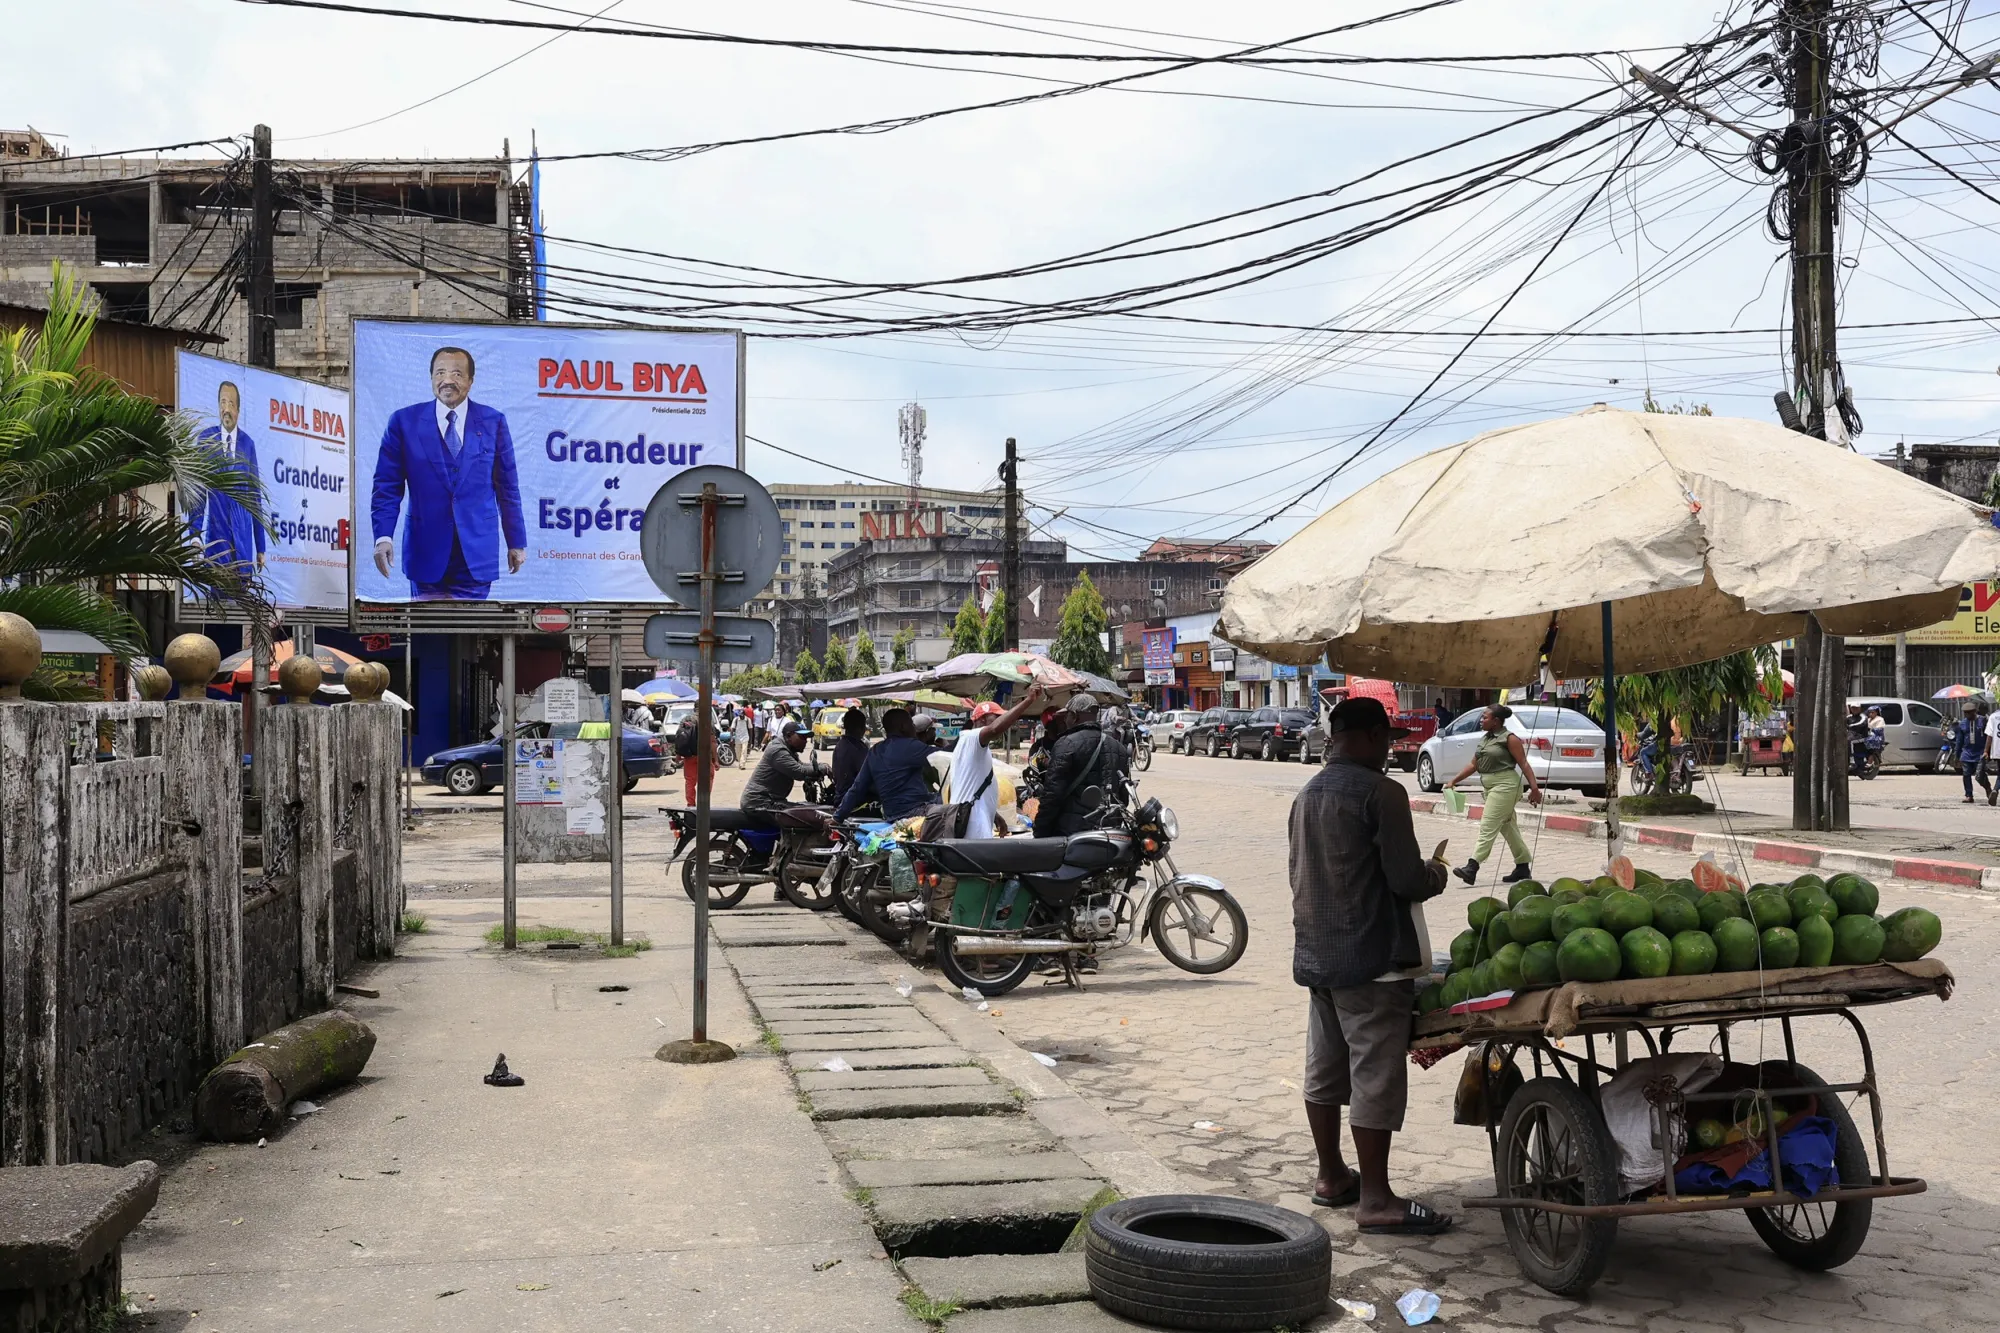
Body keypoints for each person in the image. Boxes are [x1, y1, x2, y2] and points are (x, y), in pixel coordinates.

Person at [1290, 696, 1452, 1235]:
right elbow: (1406, 879)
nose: (1388, 749)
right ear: (1359, 737)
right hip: (1372, 958)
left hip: (1319, 955)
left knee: (1325, 1067)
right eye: (1384, 738)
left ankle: (1332, 1176)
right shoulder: (1382, 793)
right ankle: (1377, 1200)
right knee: (1374, 1074)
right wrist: (1437, 873)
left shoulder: (1307, 795)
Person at [369, 345, 526, 600]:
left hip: (476, 553)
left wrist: (516, 541)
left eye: (457, 374)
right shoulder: (403, 422)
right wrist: (383, 537)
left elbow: (507, 487)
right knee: (430, 635)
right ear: (431, 377)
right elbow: (387, 486)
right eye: (440, 373)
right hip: (425, 551)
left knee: (471, 635)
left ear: (471, 381)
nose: (447, 380)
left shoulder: (493, 422)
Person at [1446, 704, 1543, 885]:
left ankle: (1472, 867)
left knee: (1488, 824)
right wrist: (1454, 781)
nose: (1481, 720)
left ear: (1496, 721)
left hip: (1506, 785)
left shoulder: (1509, 739)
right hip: (1490, 787)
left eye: (1485, 717)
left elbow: (1524, 764)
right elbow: (1473, 765)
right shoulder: (1485, 739)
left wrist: (1534, 789)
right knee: (1508, 827)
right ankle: (1522, 866)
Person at [188, 380, 266, 576]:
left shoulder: (248, 445)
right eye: (223, 403)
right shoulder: (206, 440)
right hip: (217, 537)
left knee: (243, 598)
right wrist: (195, 536)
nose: (226, 409)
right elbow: (198, 490)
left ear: (238, 410)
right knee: (218, 596)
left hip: (242, 539)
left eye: (231, 404)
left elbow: (254, 497)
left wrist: (261, 547)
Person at [948, 689, 1044, 839]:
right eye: (997, 717)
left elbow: (973, 788)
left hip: (973, 825)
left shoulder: (975, 746)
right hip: (972, 830)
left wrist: (995, 816)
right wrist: (1028, 700)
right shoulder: (971, 737)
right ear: (981, 720)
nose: (1002, 721)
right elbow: (994, 729)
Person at [1033, 693, 1132, 838]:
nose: (1065, 720)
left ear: (1074, 716)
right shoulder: (1118, 748)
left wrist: (1040, 830)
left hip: (1074, 833)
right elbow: (1124, 797)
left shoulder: (1066, 744)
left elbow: (1052, 795)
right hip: (1111, 830)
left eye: (1067, 716)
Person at [835, 708, 937, 822]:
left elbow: (857, 787)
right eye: (911, 724)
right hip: (916, 810)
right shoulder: (911, 746)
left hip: (891, 814)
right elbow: (945, 755)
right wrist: (960, 736)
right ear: (903, 726)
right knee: (955, 811)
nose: (914, 727)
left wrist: (837, 817)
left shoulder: (875, 750)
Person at [743, 718, 825, 825]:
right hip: (759, 802)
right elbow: (799, 772)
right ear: (788, 736)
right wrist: (822, 768)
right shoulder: (778, 750)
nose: (805, 741)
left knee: (805, 809)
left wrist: (820, 767)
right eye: (802, 737)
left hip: (772, 800)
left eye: (806, 738)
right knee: (801, 819)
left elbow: (801, 765)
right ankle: (788, 842)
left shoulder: (789, 750)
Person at [672, 712, 715, 807]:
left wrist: (678, 754)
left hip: (689, 756)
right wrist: (715, 759)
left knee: (690, 781)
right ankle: (703, 803)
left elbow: (680, 738)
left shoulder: (686, 719)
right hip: (704, 756)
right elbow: (712, 741)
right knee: (708, 779)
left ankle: (691, 804)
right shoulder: (706, 720)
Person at [829, 707, 869, 805]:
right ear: (860, 728)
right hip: (852, 802)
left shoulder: (843, 745)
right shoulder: (854, 748)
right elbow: (867, 774)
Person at [1953, 703, 1991, 804]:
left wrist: (1988, 751)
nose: (1967, 715)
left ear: (1974, 712)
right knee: (1966, 774)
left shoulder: (1983, 721)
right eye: (1965, 713)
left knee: (1979, 775)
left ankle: (1988, 788)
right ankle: (1969, 795)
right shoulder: (1962, 724)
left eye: (1969, 713)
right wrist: (1957, 755)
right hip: (1967, 752)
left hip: (1980, 752)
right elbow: (1959, 741)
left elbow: (1989, 736)